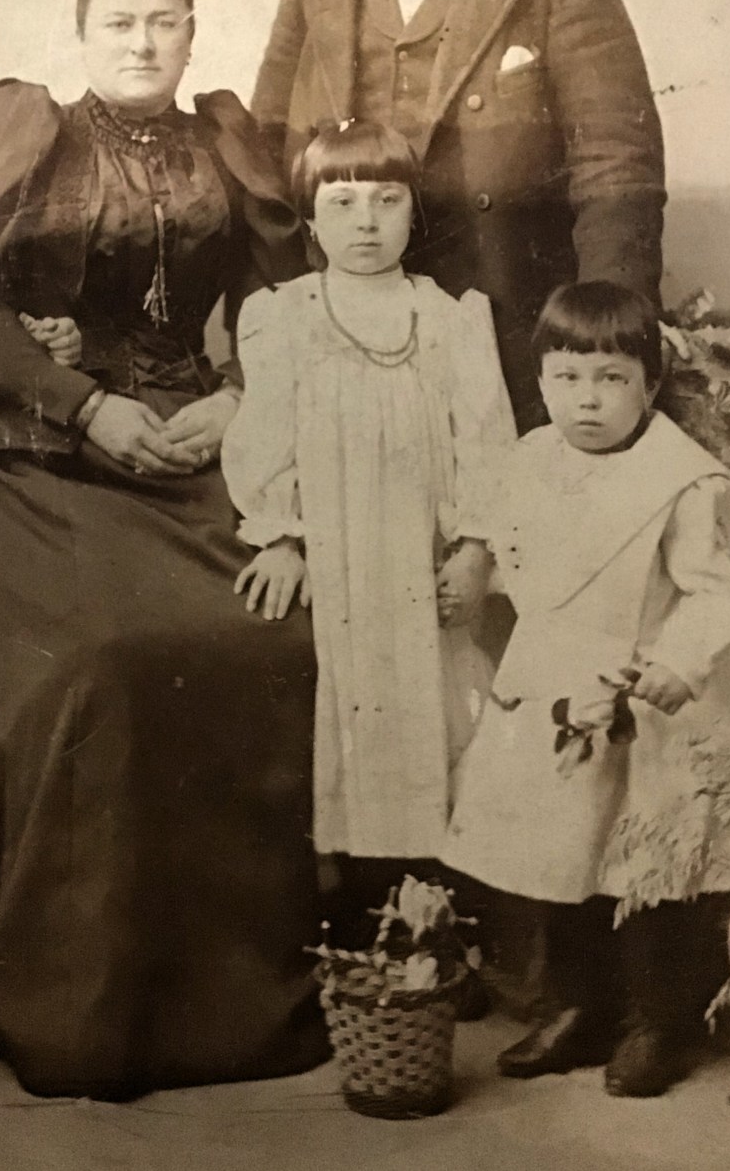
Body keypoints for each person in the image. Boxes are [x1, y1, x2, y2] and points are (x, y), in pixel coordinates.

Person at [0, 0, 326, 1099]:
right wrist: (82, 406)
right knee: (106, 664)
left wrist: (238, 399)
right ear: (82, 32)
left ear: (190, 29)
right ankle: (64, 992)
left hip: (192, 435)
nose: (143, 42)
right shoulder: (28, 132)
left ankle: (224, 986)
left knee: (272, 637)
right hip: (38, 452)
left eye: (162, 20)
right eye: (119, 22)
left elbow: (284, 308)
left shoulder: (229, 139)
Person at [251, 0, 665, 430]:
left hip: (508, 332)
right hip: (340, 334)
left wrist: (604, 348)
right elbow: (263, 168)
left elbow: (618, 169)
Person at [441, 282, 730, 1096]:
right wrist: (473, 562)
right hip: (559, 675)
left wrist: (678, 663)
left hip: (653, 685)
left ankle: (659, 1021)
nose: (586, 401)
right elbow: (501, 528)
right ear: (543, 383)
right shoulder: (531, 459)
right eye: (567, 379)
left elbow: (717, 593)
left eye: (610, 380)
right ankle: (578, 1005)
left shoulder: (682, 482)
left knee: (650, 868)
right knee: (565, 853)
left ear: (650, 386)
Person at [222, 119, 514, 932]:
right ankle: (362, 927)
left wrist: (476, 548)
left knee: (439, 715)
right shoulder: (284, 316)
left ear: (414, 213)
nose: (366, 221)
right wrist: (282, 535)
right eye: (342, 202)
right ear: (309, 218)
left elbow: (485, 440)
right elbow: (265, 435)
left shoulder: (451, 318)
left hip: (422, 562)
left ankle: (441, 929)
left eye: (387, 201)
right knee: (351, 718)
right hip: (340, 557)